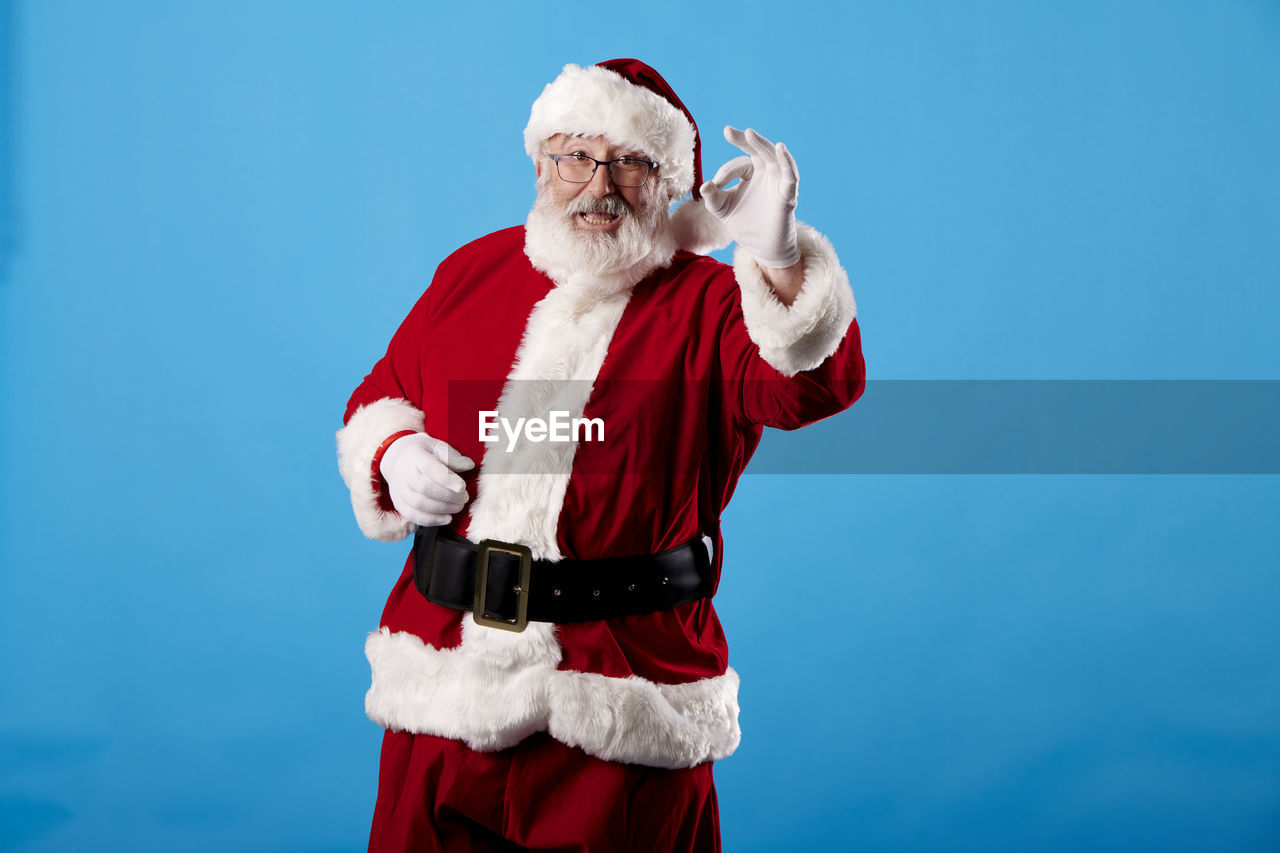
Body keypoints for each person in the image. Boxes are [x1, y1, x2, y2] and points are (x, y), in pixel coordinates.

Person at [336, 58, 865, 852]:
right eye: (576, 156)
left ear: (669, 183)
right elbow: (384, 391)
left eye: (630, 162)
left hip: (620, 701)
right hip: (443, 689)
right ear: (542, 163)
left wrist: (779, 259)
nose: (598, 184)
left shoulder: (715, 306)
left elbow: (812, 388)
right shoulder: (471, 272)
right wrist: (392, 450)